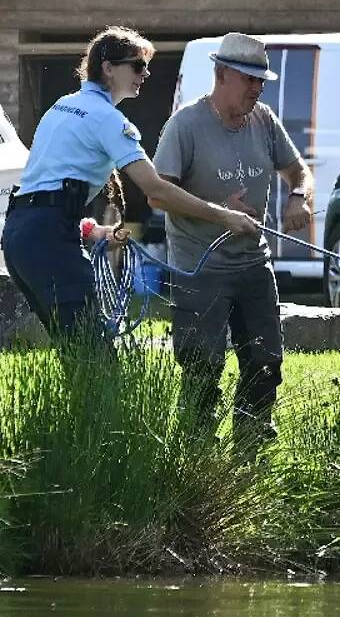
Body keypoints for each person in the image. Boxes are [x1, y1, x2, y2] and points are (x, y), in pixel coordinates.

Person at [2, 26, 256, 341]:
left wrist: (88, 231)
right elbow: (156, 190)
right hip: (47, 237)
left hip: (18, 234)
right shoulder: (109, 119)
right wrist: (224, 216)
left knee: (77, 352)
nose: (146, 73)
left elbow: (45, 190)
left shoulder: (62, 106)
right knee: (94, 357)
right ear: (108, 68)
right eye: (137, 65)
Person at [152, 32, 314, 446]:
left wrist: (298, 196)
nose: (257, 89)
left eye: (262, 81)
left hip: (253, 265)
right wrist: (219, 212)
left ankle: (250, 453)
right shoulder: (184, 125)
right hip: (199, 268)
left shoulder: (264, 120)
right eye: (249, 80)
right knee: (203, 369)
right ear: (222, 74)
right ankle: (198, 458)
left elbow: (300, 171)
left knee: (265, 363)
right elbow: (157, 194)